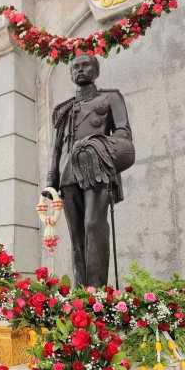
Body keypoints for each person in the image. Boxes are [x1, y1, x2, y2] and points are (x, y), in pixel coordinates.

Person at [44, 55, 134, 287]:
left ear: (96, 71)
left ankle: (96, 292)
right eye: (75, 66)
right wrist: (50, 182)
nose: (79, 69)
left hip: (97, 166)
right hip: (67, 173)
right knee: (76, 235)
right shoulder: (65, 109)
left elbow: (123, 133)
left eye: (85, 65)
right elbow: (56, 147)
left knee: (94, 224)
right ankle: (80, 291)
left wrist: (97, 144)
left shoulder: (111, 97)